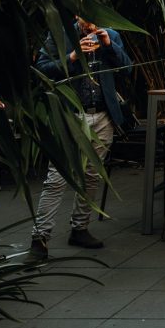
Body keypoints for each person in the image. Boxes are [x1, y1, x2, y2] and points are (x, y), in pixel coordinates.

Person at [30, 16, 133, 257]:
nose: (90, 22)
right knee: (57, 177)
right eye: (84, 16)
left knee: (91, 175)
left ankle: (80, 228)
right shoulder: (59, 34)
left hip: (102, 115)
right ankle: (40, 236)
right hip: (70, 116)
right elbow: (42, 69)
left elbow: (127, 68)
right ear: (75, 16)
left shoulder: (111, 35)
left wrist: (109, 45)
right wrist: (72, 58)